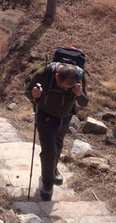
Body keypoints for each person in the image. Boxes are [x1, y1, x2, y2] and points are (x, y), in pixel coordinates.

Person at [25, 62, 89, 201]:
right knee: (49, 151)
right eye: (63, 86)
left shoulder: (79, 77)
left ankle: (53, 169)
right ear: (56, 77)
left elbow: (84, 102)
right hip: (44, 117)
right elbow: (27, 92)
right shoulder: (43, 74)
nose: (65, 89)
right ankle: (48, 183)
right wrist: (34, 94)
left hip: (64, 119)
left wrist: (79, 94)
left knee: (58, 145)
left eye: (69, 88)